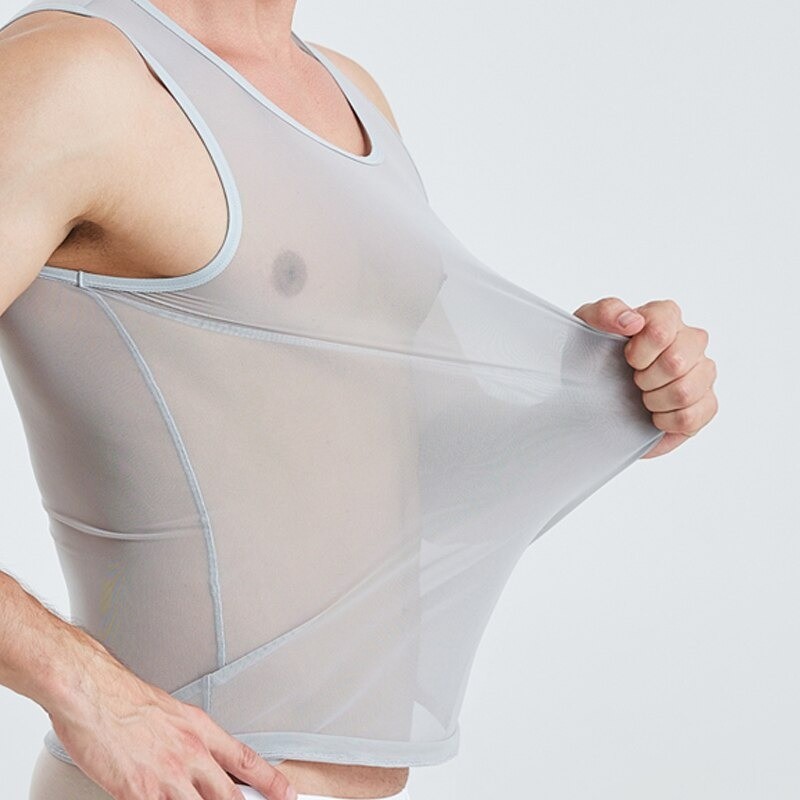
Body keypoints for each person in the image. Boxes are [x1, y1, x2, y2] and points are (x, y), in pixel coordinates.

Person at [0, 2, 718, 799]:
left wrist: (607, 395)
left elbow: (375, 462)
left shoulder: (352, 95)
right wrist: (84, 690)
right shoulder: (74, 75)